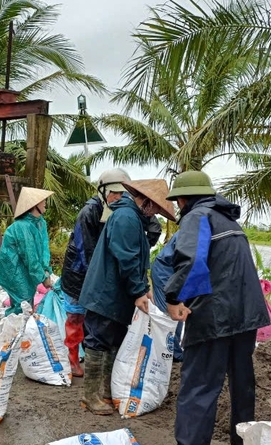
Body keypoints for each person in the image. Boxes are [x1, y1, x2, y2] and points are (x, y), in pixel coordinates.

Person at [163, 170, 269, 445]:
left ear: (184, 199)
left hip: (214, 317)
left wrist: (173, 299)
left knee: (199, 386)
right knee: (242, 384)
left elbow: (192, 261)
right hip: (246, 315)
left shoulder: (197, 217)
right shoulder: (229, 220)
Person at [78, 179, 175, 415]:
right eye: (156, 209)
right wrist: (138, 290)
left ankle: (108, 392)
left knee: (112, 342)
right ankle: (90, 396)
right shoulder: (126, 219)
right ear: (147, 202)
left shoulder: (130, 219)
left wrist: (143, 288)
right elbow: (128, 259)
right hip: (106, 294)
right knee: (98, 341)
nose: (155, 215)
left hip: (114, 294)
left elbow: (134, 261)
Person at [60, 168, 163, 377]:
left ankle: (93, 370)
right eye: (115, 193)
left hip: (105, 276)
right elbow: (84, 248)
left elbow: (149, 233)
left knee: (98, 328)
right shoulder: (90, 212)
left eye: (123, 193)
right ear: (104, 192)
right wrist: (101, 276)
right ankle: (73, 360)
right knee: (77, 318)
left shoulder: (131, 213)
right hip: (80, 274)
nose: (119, 197)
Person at [0, 187, 54, 315]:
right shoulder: (22, 226)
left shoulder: (40, 223)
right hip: (14, 271)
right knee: (22, 306)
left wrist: (46, 270)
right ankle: (13, 332)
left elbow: (44, 249)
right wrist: (43, 278)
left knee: (25, 305)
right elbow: (30, 256)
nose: (45, 203)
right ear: (35, 204)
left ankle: (18, 331)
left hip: (24, 270)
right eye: (43, 201)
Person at [150, 232, 184, 363]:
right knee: (169, 314)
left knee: (177, 314)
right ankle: (172, 353)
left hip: (171, 273)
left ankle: (172, 350)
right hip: (164, 273)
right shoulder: (193, 230)